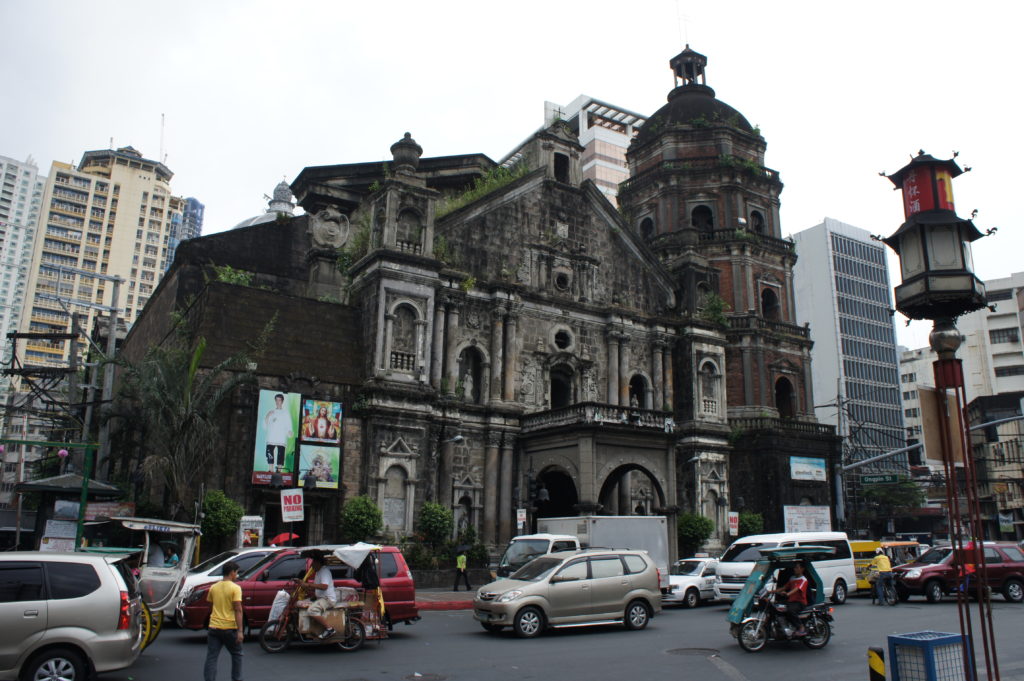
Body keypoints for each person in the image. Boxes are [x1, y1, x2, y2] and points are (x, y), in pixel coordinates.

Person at [204, 560, 243, 681]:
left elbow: (211, 606)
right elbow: (238, 610)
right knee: (237, 654)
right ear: (232, 573)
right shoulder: (235, 588)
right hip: (229, 628)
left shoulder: (213, 587)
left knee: (212, 657)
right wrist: (240, 631)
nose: (237, 575)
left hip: (214, 627)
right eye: (236, 572)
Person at [299, 554, 338, 639]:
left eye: (313, 562)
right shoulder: (318, 572)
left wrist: (309, 585)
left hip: (328, 599)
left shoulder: (324, 572)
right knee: (300, 603)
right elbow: (317, 587)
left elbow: (324, 586)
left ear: (318, 563)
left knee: (312, 610)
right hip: (321, 598)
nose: (312, 565)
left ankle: (329, 629)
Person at [771, 562, 809, 636]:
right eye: (794, 567)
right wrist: (770, 592)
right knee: (777, 606)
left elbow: (797, 589)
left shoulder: (803, 580)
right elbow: (784, 587)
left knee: (790, 610)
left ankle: (801, 627)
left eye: (797, 567)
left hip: (800, 602)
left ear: (802, 569)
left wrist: (788, 594)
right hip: (791, 601)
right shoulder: (792, 578)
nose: (795, 569)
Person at [264, 394, 293, 473]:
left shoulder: (285, 413)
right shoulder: (271, 412)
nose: (278, 402)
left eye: (279, 400)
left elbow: (288, 425)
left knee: (281, 453)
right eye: (276, 400)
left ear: (282, 401)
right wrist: (267, 415)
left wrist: (289, 431)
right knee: (269, 452)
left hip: (281, 437)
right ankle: (270, 469)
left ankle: (279, 470)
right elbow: (265, 424)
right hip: (271, 436)